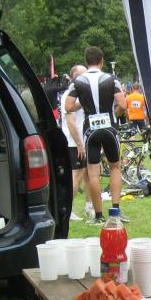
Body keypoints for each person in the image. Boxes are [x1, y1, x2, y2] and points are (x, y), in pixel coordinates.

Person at [64, 46, 128, 224]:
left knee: (93, 173)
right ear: (102, 61)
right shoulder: (111, 79)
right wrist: (114, 115)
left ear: (86, 62)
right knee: (115, 168)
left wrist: (83, 104)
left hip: (90, 129)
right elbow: (123, 105)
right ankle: (115, 211)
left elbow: (68, 107)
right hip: (110, 128)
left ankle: (98, 215)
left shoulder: (77, 82)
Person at [60, 64, 93, 221]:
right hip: (75, 142)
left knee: (90, 174)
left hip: (84, 139)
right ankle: (68, 209)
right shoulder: (69, 95)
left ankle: (89, 206)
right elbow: (71, 123)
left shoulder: (80, 94)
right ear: (75, 78)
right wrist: (80, 145)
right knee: (77, 176)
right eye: (83, 75)